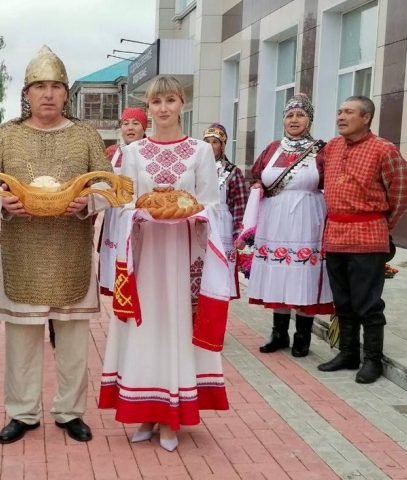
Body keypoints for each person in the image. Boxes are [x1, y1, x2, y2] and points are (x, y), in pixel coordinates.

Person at [0, 45, 112, 445]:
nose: (48, 94)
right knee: (21, 341)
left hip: (71, 252)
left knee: (73, 342)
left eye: (55, 86)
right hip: (23, 253)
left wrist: (89, 201)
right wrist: (1, 202)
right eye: (39, 86)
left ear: (66, 93)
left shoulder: (85, 135)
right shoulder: (6, 134)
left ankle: (70, 412)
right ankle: (22, 412)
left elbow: (108, 184)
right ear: (27, 93)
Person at [98, 76, 230, 452]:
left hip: (183, 255)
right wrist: (141, 213)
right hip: (146, 255)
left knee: (176, 325)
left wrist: (191, 212)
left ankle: (173, 415)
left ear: (182, 104)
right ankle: (146, 412)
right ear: (149, 108)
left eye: (170, 100)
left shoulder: (200, 151)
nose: (163, 108)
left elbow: (213, 204)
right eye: (156, 102)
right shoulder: (134, 152)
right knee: (145, 328)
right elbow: (125, 203)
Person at [317, 96, 407, 384]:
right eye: (339, 111)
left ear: (366, 117)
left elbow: (402, 193)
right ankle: (348, 353)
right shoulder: (332, 148)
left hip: (368, 236)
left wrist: (382, 224)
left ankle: (372, 360)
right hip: (335, 236)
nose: (341, 117)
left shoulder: (384, 150)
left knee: (368, 303)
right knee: (342, 300)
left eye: (348, 112)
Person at [243, 93, 333, 358]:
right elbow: (256, 176)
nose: (294, 120)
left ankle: (302, 336)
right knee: (279, 274)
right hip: (275, 219)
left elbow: (330, 182)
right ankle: (279, 333)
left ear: (310, 119)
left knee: (303, 274)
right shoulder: (272, 149)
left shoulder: (321, 150)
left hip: (308, 218)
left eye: (300, 115)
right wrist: (257, 187)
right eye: (289, 115)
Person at [99, 107, 147, 296]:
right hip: (114, 217)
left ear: (144, 127)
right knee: (116, 263)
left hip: (141, 216)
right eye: (126, 123)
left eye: (136, 123)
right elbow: (99, 182)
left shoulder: (149, 152)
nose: (130, 127)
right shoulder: (111, 153)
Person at [203, 122, 249, 297]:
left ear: (222, 146)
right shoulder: (196, 169)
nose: (210, 146)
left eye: (215, 142)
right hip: (202, 221)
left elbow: (240, 205)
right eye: (207, 141)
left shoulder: (232, 172)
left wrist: (239, 234)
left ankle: (219, 304)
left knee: (221, 270)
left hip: (223, 224)